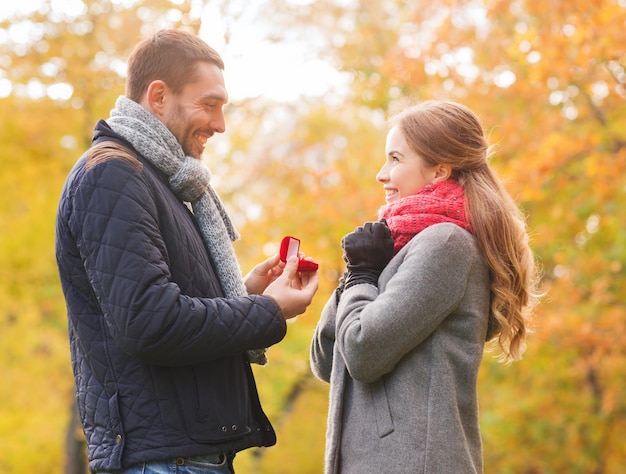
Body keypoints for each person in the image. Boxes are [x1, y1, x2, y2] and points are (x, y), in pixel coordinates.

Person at [55, 29, 318, 473]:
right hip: (163, 461)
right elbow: (150, 322)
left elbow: (164, 301)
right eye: (209, 105)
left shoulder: (160, 181)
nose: (220, 124)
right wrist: (267, 311)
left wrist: (247, 292)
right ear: (158, 96)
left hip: (185, 455)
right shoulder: (114, 176)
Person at [310, 100, 539, 473]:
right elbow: (326, 363)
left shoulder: (447, 244)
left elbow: (362, 353)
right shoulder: (400, 248)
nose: (382, 174)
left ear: (439, 171)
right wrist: (358, 275)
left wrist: (364, 274)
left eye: (396, 159)